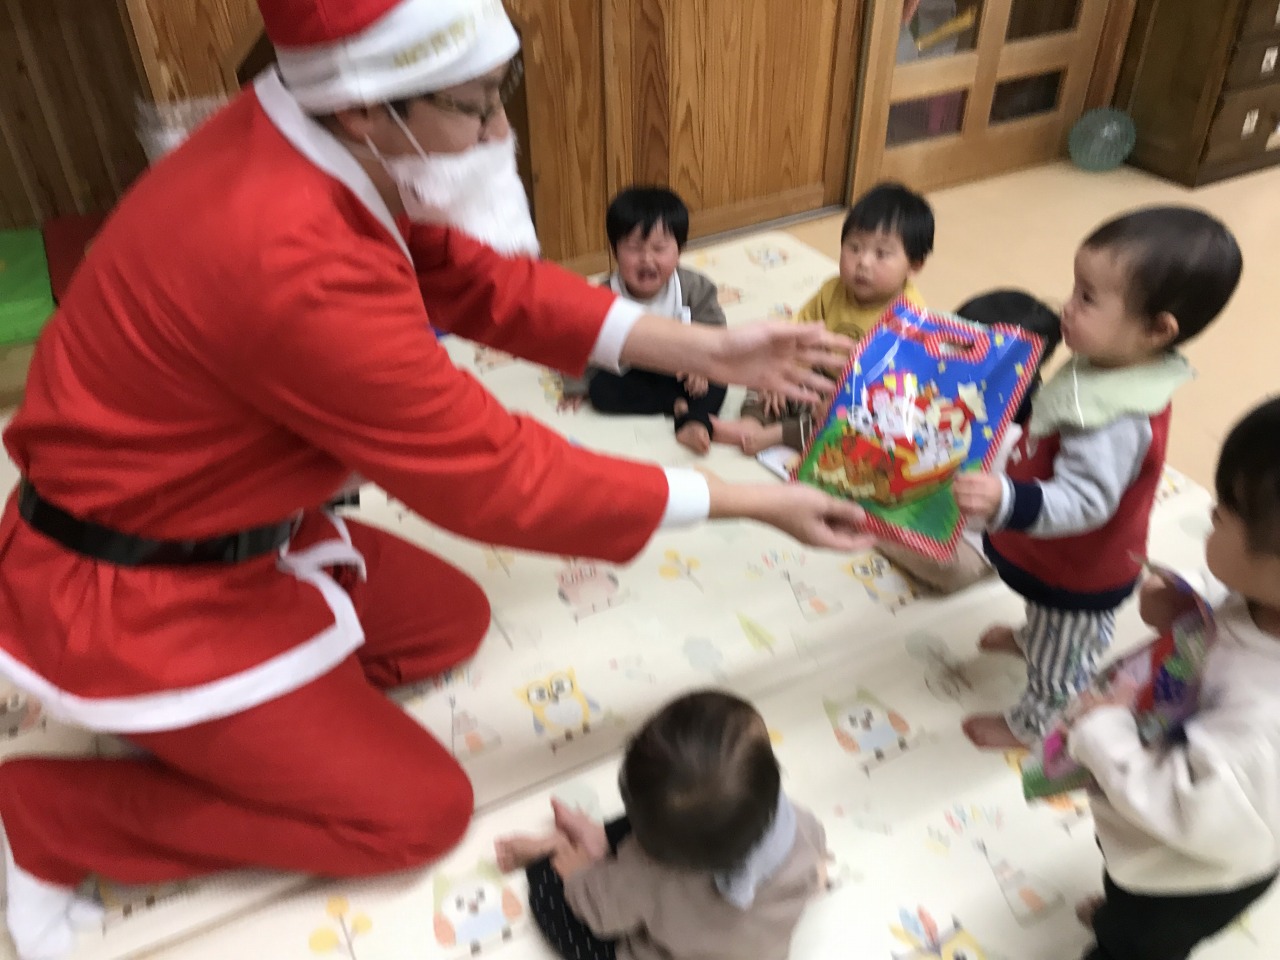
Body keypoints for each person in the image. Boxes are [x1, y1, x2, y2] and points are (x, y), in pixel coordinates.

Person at [0, 2, 869, 958]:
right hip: (140, 586)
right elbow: (497, 477)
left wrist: (712, 348)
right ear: (368, 106)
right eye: (477, 105)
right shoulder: (285, 257)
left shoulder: (300, 131)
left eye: (501, 96)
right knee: (415, 816)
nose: (499, 132)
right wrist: (755, 502)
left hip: (240, 521)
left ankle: (241, 731)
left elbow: (470, 277)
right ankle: (50, 815)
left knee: (448, 622)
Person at [954, 207, 1242, 749]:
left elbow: (1086, 500)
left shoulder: (1115, 418)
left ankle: (1036, 723)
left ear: (1157, 330)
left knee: (1063, 661)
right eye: (1074, 288)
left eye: (1087, 298)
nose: (1067, 306)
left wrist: (1006, 499)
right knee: (1048, 620)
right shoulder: (1112, 361)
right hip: (1054, 555)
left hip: (1081, 570)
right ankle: (1037, 637)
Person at [1068, 397, 1280, 960]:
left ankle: (1122, 938)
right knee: (1125, 894)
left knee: (1140, 939)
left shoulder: (1264, 722)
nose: (1209, 512)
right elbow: (1233, 605)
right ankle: (1119, 913)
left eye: (1224, 513)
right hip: (1161, 816)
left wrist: (1105, 732)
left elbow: (1185, 806)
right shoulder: (1266, 602)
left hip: (1189, 869)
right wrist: (1189, 602)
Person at [494, 690, 828, 960]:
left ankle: (552, 853)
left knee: (553, 904)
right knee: (676, 819)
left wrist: (578, 875)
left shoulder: (647, 874)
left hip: (658, 933)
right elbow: (817, 848)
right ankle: (597, 839)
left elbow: (600, 912)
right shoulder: (797, 824)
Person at [714, 182, 932, 454]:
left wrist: (844, 400)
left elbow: (901, 385)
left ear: (914, 265)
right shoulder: (833, 290)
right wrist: (787, 371)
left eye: (881, 254)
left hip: (864, 396)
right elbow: (798, 332)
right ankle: (751, 423)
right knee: (765, 372)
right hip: (819, 376)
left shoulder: (910, 316)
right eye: (854, 247)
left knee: (857, 426)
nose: (863, 262)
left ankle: (779, 435)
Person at [877, 289, 1061, 594]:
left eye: (967, 351)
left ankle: (872, 529)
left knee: (946, 567)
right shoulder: (939, 374)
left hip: (979, 526)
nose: (951, 357)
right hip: (923, 487)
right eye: (952, 342)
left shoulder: (1026, 422)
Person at [561, 187, 728, 455]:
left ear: (679, 250)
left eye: (659, 248)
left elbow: (715, 332)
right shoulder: (603, 297)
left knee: (720, 378)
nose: (647, 259)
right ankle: (676, 406)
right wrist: (576, 386)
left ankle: (695, 421)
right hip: (631, 373)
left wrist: (701, 365)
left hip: (681, 369)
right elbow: (577, 342)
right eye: (634, 248)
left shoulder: (694, 287)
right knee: (601, 392)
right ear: (615, 250)